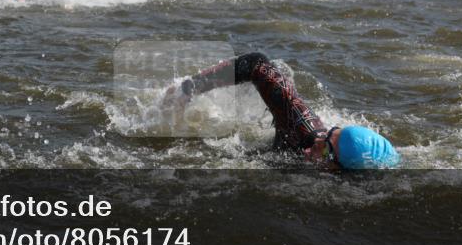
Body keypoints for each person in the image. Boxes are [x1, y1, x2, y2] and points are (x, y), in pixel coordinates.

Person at [160, 52, 400, 169]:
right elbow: (257, 64)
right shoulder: (303, 129)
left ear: (341, 171)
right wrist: (189, 88)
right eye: (327, 136)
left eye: (324, 150)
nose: (312, 147)